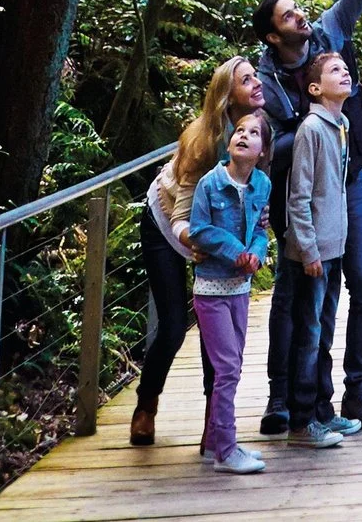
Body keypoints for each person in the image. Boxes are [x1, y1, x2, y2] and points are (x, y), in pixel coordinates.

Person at [255, 0, 362, 437]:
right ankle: (284, 397)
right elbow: (264, 143)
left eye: (299, 9)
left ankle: (358, 390)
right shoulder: (265, 80)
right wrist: (308, 131)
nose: (301, 17)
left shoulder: (328, 37)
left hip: (348, 182)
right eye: (290, 15)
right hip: (299, 193)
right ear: (274, 33)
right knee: (298, 296)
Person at [131, 56, 267, 448]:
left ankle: (214, 421)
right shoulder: (203, 140)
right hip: (169, 224)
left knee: (216, 327)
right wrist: (203, 249)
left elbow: (255, 195)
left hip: (214, 237)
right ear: (228, 95)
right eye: (246, 80)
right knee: (173, 324)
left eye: (256, 76)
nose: (257, 83)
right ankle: (146, 404)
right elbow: (181, 217)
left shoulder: (257, 133)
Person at [189, 108, 274, 474]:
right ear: (229, 141)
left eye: (254, 133)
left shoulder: (262, 185)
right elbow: (199, 230)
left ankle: (218, 443)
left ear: (263, 150)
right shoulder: (211, 183)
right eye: (239, 130)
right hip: (210, 290)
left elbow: (260, 229)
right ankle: (225, 449)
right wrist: (234, 251)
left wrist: (255, 253)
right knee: (227, 370)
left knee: (233, 366)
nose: (244, 136)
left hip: (240, 288)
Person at [282, 50, 356, 448]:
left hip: (334, 248)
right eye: (334, 70)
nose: (344, 73)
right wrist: (308, 249)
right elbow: (300, 195)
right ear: (314, 88)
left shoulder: (340, 123)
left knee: (324, 333)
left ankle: (324, 413)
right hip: (312, 255)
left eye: (345, 69)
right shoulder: (312, 128)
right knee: (309, 335)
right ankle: (302, 421)